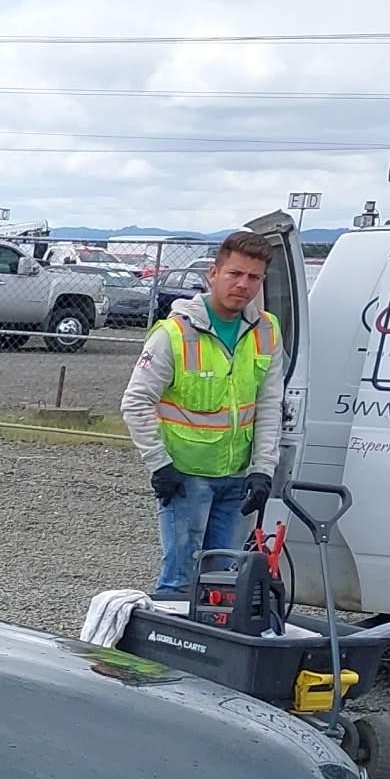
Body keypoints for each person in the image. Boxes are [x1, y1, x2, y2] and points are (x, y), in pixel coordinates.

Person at [120, 230, 283, 600]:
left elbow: (270, 405)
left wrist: (263, 470)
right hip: (186, 479)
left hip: (236, 479)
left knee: (220, 583)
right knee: (178, 580)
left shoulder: (266, 331)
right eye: (235, 274)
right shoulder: (175, 333)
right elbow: (136, 402)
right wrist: (159, 464)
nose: (243, 285)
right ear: (213, 273)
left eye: (253, 277)